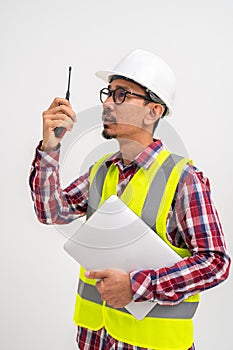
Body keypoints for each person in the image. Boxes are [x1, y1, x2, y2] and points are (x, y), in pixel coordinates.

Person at [29, 49, 230, 350]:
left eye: (121, 94)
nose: (107, 103)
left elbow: (215, 264)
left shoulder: (184, 179)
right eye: (108, 93)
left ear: (154, 111)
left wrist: (137, 287)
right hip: (95, 339)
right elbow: (50, 212)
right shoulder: (100, 172)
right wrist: (50, 145)